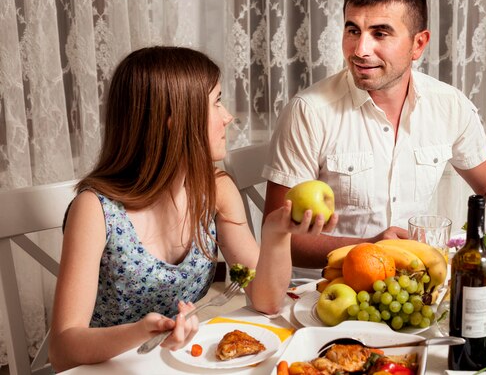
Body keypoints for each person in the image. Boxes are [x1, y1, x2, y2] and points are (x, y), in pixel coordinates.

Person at [262, 0, 486, 271]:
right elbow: (280, 238)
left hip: (419, 282)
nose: (359, 50)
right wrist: (369, 246)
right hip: (327, 291)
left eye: (380, 33)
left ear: (418, 44)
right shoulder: (308, 112)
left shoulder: (448, 104)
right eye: (353, 30)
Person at [49, 46, 331, 372]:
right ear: (174, 120)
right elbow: (62, 349)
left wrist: (276, 234)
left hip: (176, 363)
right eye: (216, 102)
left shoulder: (213, 189)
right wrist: (140, 332)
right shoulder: (96, 209)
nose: (228, 116)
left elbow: (266, 301)